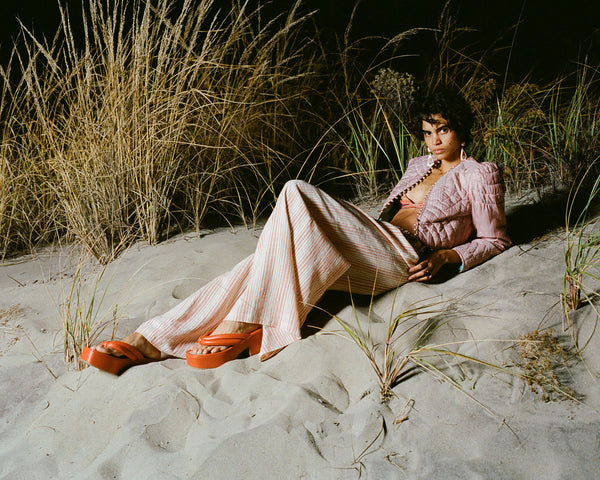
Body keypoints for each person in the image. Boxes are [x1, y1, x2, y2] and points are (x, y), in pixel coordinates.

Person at [81, 88, 511, 374]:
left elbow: (496, 238)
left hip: (405, 257)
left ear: (460, 128)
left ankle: (244, 323)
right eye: (427, 132)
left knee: (293, 191)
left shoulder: (480, 173)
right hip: (375, 240)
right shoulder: (420, 166)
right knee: (260, 263)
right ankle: (150, 340)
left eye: (443, 130)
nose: (434, 140)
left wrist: (451, 256)